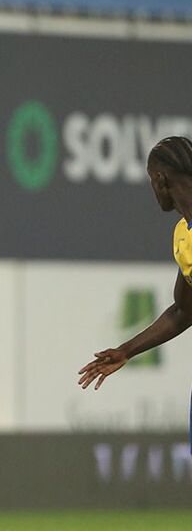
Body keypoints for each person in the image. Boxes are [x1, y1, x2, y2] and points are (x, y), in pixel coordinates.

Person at [79, 136, 192, 443]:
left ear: (160, 180)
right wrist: (126, 351)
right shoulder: (184, 235)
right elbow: (184, 311)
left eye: (151, 181)